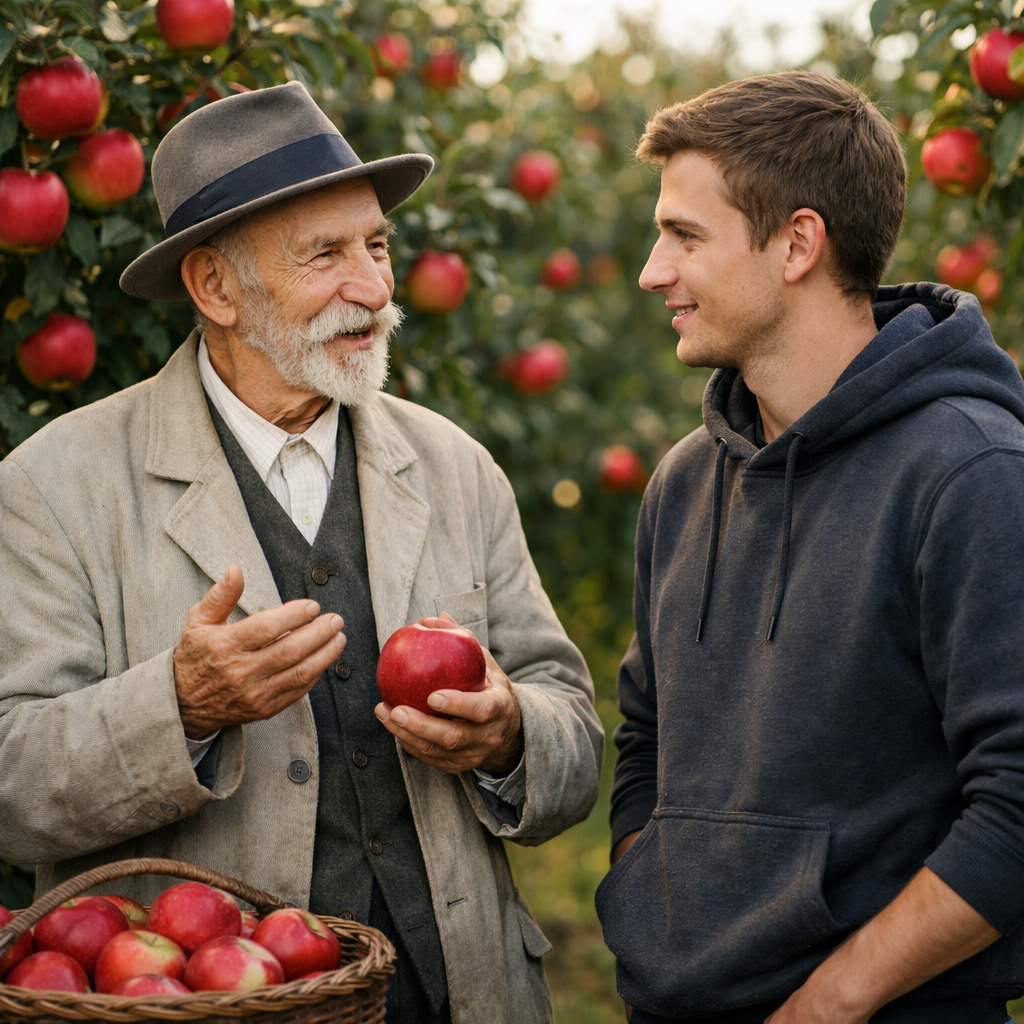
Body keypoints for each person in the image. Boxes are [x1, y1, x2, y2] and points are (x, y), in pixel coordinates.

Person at [0, 83, 603, 1024]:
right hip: (210, 1006)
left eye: (377, 246)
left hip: (457, 996)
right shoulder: (53, 486)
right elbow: (10, 784)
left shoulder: (455, 468)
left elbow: (574, 734)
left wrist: (512, 736)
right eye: (326, 254)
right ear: (214, 288)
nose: (373, 287)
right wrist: (179, 709)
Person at [595, 70, 1024, 1024]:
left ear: (797, 243)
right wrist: (659, 907)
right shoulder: (683, 481)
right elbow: (646, 742)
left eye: (684, 236)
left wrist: (831, 1003)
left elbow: (1019, 803)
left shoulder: (971, 474)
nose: (651, 270)